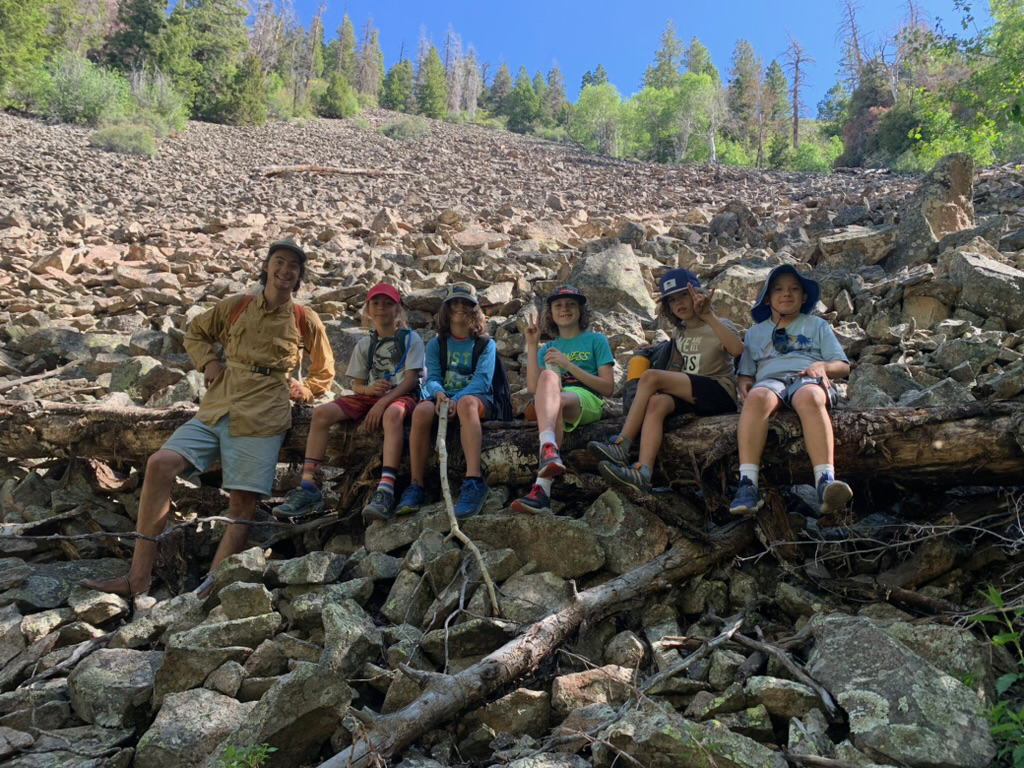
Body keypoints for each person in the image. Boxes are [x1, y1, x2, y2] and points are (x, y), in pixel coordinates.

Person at [82, 241, 335, 597]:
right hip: (220, 405)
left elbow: (324, 371)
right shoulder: (238, 305)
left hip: (263, 415)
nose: (286, 270)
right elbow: (196, 332)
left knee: (242, 504)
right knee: (159, 464)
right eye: (279, 262)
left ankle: (206, 590)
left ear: (299, 276)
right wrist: (209, 363)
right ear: (266, 266)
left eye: (293, 266)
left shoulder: (304, 318)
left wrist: (305, 390)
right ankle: (137, 577)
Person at [274, 283, 424, 523]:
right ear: (368, 309)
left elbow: (410, 380)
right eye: (376, 304)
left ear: (398, 310)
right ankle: (309, 486)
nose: (381, 309)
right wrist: (369, 391)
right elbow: (357, 386)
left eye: (388, 304)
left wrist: (381, 402)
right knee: (321, 413)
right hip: (372, 395)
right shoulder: (365, 344)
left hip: (401, 395)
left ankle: (386, 489)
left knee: (392, 415)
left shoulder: (410, 340)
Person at [588, 269, 743, 493]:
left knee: (651, 377)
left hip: (719, 392)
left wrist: (709, 315)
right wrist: (652, 350)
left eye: (683, 296)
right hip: (692, 395)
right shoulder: (680, 332)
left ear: (697, 294)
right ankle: (642, 472)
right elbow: (677, 364)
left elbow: (737, 350)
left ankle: (622, 444)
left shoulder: (720, 324)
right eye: (672, 300)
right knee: (656, 403)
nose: (678, 303)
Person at [728, 264, 853, 517]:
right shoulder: (755, 333)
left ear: (804, 296)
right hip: (770, 380)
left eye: (794, 289)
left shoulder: (817, 325)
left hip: (806, 377)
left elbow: (843, 366)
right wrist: (743, 382)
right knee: (756, 397)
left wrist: (823, 366)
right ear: (767, 298)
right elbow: (746, 372)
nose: (787, 294)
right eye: (779, 289)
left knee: (810, 397)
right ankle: (747, 484)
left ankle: (825, 481)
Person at [511, 285, 615, 515]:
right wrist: (531, 344)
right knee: (548, 378)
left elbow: (608, 387)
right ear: (551, 312)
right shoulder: (548, 347)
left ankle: (542, 478)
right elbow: (532, 387)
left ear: (580, 310)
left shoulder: (596, 341)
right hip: (556, 402)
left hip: (588, 400)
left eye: (571, 304)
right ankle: (543, 483)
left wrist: (568, 364)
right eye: (558, 305)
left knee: (554, 395)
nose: (565, 309)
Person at [396, 282, 495, 519]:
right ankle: (416, 484)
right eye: (455, 302)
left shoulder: (485, 344)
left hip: (475, 400)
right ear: (447, 308)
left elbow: (482, 381)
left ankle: (473, 480)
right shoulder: (436, 344)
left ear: (475, 309)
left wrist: (455, 399)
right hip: (443, 398)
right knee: (421, 411)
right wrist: (439, 394)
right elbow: (431, 378)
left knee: (467, 404)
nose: (460, 307)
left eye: (466, 303)